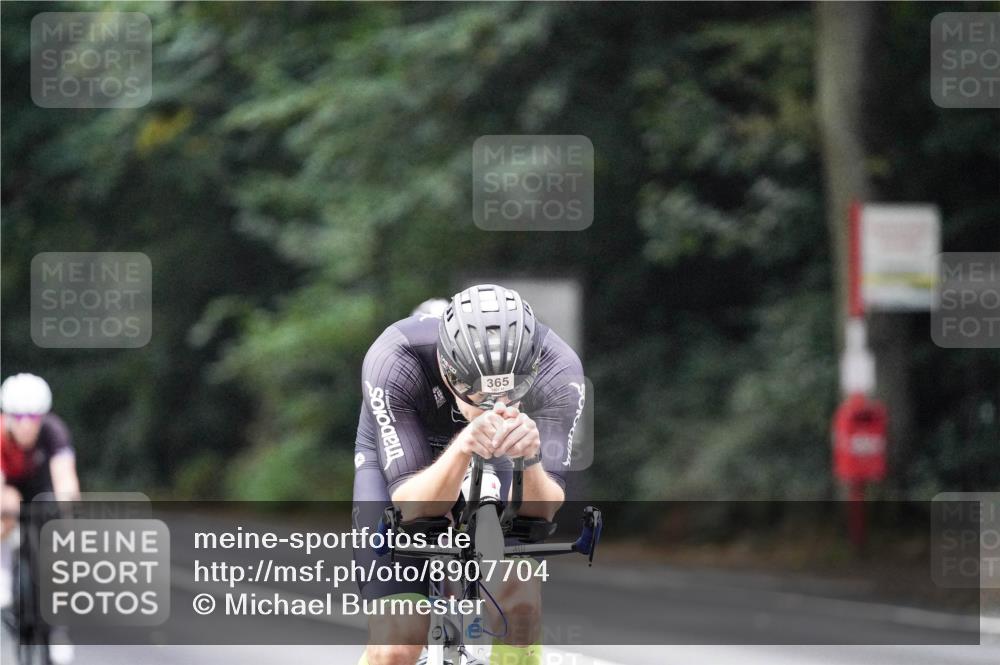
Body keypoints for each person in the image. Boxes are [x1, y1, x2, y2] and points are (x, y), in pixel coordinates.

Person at [353, 284, 585, 665]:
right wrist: (463, 445)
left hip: (503, 454)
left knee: (520, 606)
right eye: (477, 395)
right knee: (396, 646)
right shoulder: (395, 357)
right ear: (447, 368)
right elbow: (412, 508)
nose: (498, 406)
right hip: (407, 459)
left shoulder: (558, 367)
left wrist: (529, 458)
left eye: (511, 392)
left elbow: (541, 511)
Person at [0, 373, 80, 665]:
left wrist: (67, 507)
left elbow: (66, 478)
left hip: (42, 489)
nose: (25, 423)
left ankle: (57, 629)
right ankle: (3, 575)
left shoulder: (54, 431)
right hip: (9, 491)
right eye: (18, 416)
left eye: (32, 416)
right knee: (7, 503)